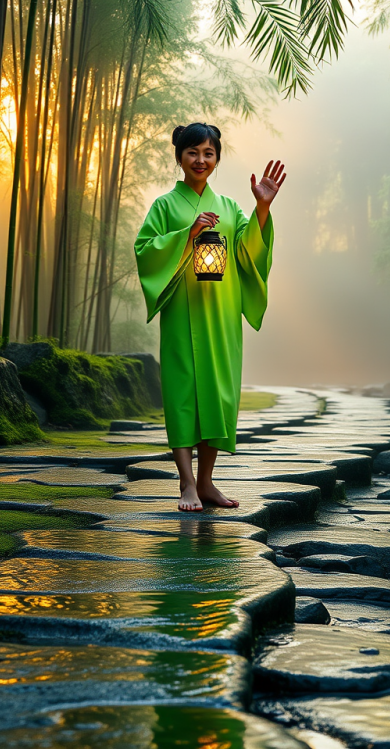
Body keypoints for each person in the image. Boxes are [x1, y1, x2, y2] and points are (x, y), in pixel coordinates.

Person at [134, 122, 286, 511]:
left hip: (220, 314)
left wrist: (262, 207)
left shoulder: (231, 207)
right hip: (184, 312)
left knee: (218, 394)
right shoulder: (165, 206)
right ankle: (186, 484)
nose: (201, 160)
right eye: (193, 153)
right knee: (184, 393)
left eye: (209, 153)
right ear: (179, 157)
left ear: (217, 159)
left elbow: (250, 252)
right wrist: (187, 232)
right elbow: (147, 249)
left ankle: (206, 483)